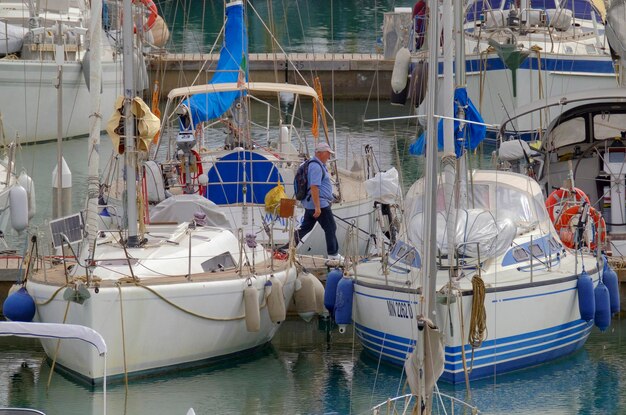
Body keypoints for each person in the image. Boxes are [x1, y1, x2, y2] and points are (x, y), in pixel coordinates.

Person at [293, 142, 343, 261]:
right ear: (320, 153)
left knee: (305, 228)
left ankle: (287, 247)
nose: (329, 156)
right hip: (319, 204)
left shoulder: (314, 164)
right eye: (327, 153)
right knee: (330, 227)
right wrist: (318, 207)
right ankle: (333, 254)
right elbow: (314, 187)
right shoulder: (316, 166)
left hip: (312, 203)